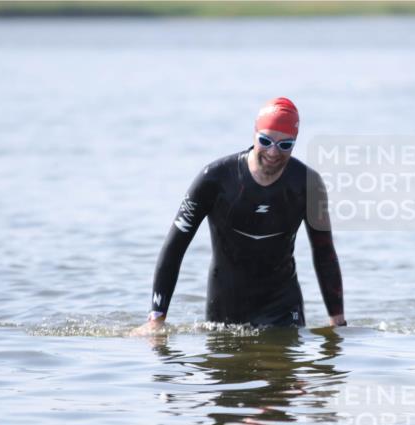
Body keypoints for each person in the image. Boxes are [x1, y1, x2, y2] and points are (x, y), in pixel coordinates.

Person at [131, 97, 345, 336]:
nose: (273, 152)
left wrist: (337, 323)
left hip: (283, 308)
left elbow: (324, 253)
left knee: (282, 358)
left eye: (285, 145)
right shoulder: (215, 179)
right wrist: (156, 318)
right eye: (265, 141)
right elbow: (174, 247)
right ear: (254, 134)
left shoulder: (307, 184)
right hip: (225, 307)